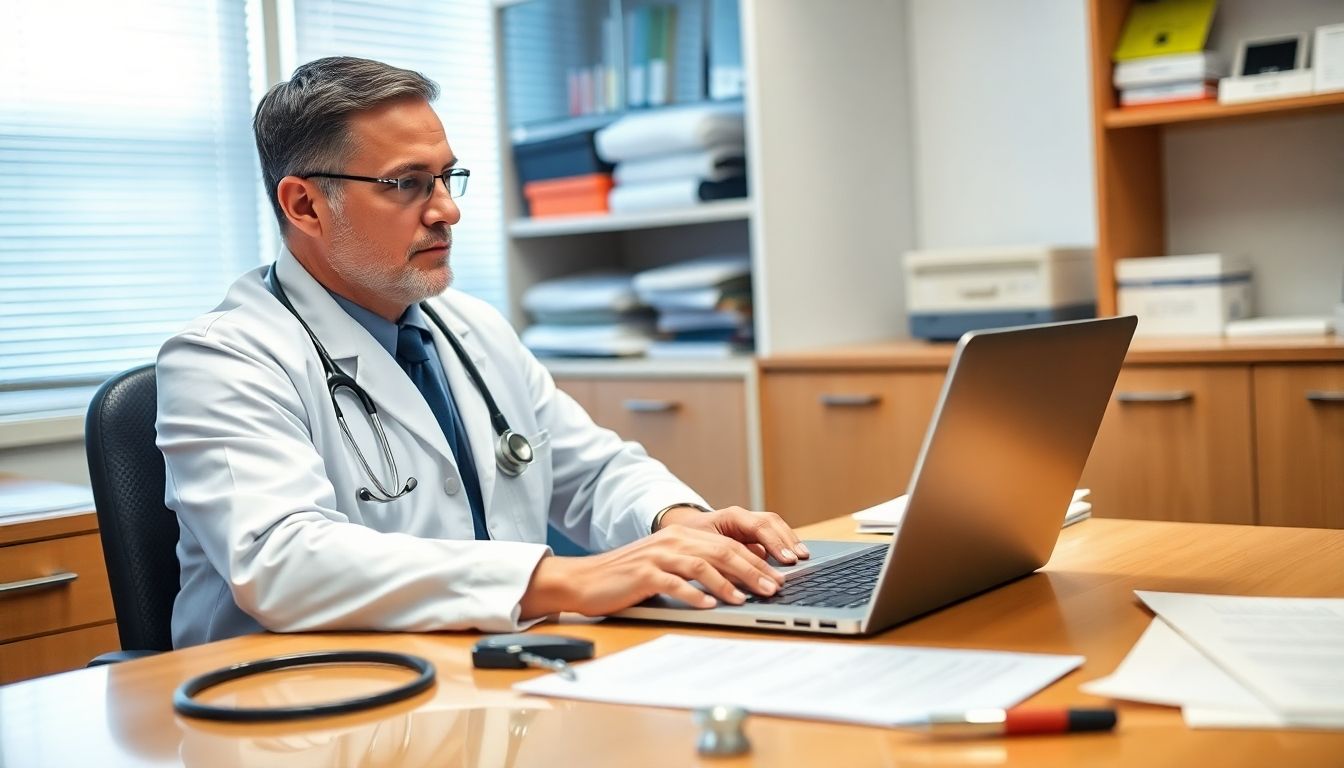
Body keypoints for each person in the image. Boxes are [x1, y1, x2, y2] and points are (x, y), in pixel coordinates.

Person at [157, 56, 808, 648]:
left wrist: (680, 524)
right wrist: (559, 580)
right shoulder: (222, 361)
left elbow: (593, 472)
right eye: (407, 184)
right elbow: (284, 561)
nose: (446, 211)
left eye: (445, 178)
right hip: (296, 705)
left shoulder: (470, 328)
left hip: (477, 669)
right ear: (305, 204)